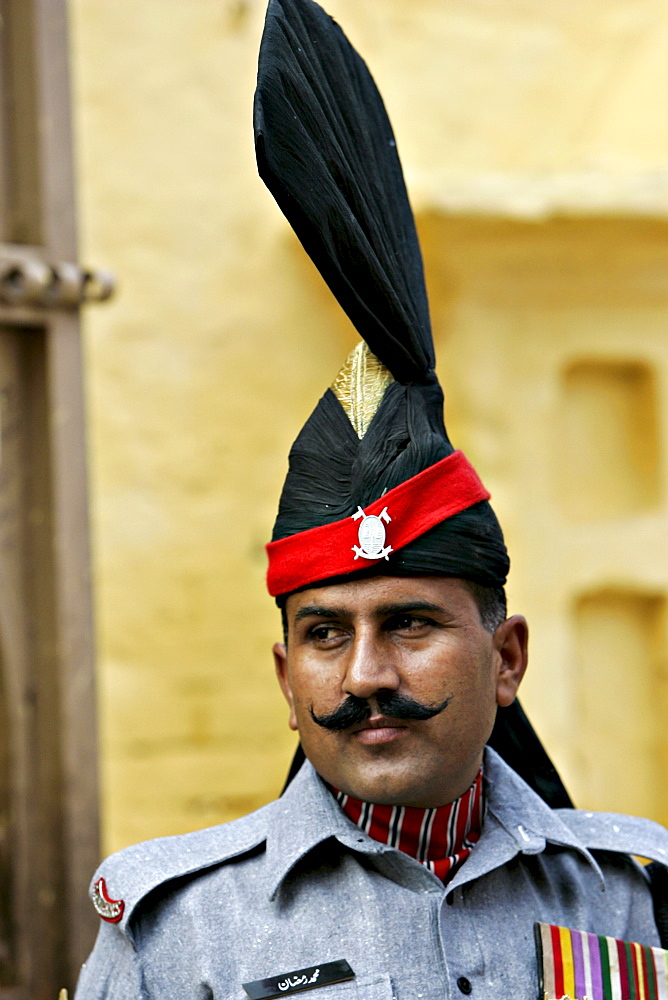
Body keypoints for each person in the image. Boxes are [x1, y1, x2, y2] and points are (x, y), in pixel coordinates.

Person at [75, 0, 668, 997]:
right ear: (282, 672)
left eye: (407, 623)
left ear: (507, 655)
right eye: (321, 633)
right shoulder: (176, 937)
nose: (362, 674)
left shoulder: (633, 902)